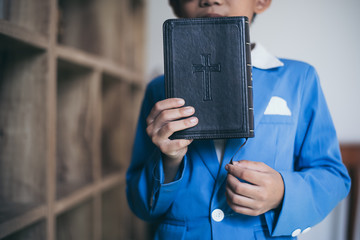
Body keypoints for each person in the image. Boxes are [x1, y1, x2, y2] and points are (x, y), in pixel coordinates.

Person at [126, 0, 351, 239]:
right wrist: (168, 161)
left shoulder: (300, 79)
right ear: (175, 4)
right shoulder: (158, 91)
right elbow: (141, 204)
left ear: (261, 2)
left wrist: (283, 192)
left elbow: (332, 176)